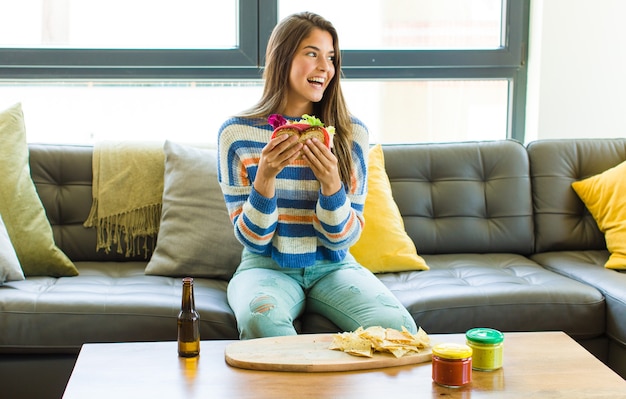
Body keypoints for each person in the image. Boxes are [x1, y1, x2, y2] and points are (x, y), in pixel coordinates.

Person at [217, 11, 418, 339]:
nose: (325, 67)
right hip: (265, 267)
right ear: (282, 58)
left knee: (400, 330)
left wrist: (332, 185)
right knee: (260, 323)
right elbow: (253, 239)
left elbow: (343, 239)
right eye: (312, 54)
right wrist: (265, 179)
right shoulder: (236, 134)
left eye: (331, 57)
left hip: (334, 266)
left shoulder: (352, 135)